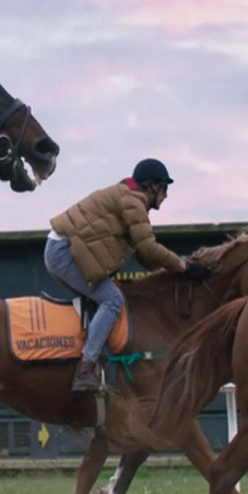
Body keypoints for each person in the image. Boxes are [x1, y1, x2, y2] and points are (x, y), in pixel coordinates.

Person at [45, 158, 211, 394]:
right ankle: (84, 369)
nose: (166, 195)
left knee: (102, 299)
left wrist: (174, 269)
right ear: (152, 186)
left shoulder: (128, 197)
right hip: (63, 253)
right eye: (164, 188)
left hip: (61, 249)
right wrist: (184, 267)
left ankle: (82, 357)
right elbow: (148, 248)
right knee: (112, 300)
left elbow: (145, 257)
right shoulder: (134, 201)